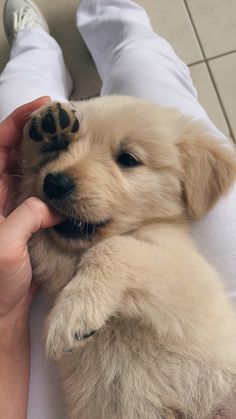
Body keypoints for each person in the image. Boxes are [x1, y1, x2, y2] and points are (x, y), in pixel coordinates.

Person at [0, 0, 235, 418]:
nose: (66, 173)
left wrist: (113, 266)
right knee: (145, 72)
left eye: (127, 159)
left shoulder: (161, 235)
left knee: (16, 96)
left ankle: (34, 51)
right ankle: (117, 20)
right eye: (67, 150)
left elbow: (177, 298)